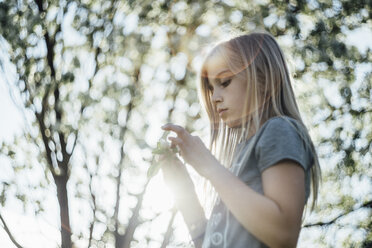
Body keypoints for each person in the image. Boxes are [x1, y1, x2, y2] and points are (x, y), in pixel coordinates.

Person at [159, 32, 322, 248]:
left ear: (264, 80)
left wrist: (208, 166)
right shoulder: (239, 158)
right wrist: (185, 191)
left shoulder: (279, 129)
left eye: (224, 82)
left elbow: (283, 234)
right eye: (210, 89)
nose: (214, 97)